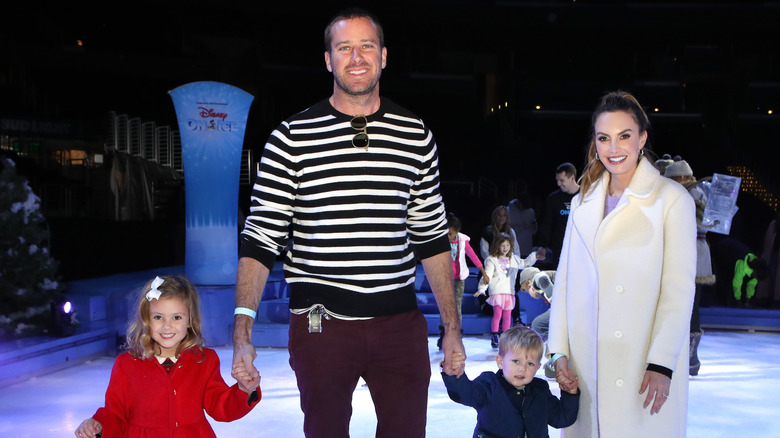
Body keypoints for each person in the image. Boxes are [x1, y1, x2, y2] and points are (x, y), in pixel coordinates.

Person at [231, 8, 466, 438]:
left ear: (384, 56)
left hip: (398, 324)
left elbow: (432, 237)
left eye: (366, 47)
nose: (356, 58)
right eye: (344, 48)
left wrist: (452, 327)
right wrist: (242, 329)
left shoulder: (415, 135)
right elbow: (261, 239)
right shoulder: (291, 137)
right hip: (322, 326)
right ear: (328, 60)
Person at [547, 90, 696, 437]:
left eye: (624, 136)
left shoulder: (671, 200)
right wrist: (559, 351)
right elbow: (566, 282)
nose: (614, 149)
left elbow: (677, 291)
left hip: (642, 364)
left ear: (642, 138)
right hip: (587, 363)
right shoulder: (583, 200)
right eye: (604, 138)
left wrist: (661, 363)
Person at [75, 276, 260, 438]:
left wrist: (244, 390)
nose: (167, 326)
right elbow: (115, 414)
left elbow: (221, 406)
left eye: (176, 317)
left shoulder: (204, 360)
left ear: (190, 320)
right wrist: (98, 425)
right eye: (158, 317)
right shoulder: (126, 364)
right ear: (146, 319)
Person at [441, 326, 579, 438]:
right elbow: (466, 394)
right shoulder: (489, 384)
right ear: (500, 362)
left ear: (537, 367)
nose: (522, 368)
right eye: (516, 361)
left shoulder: (540, 390)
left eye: (530, 364)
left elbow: (561, 418)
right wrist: (455, 374)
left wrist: (570, 393)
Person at [664, 158, 716, 376]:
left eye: (672, 179)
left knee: (691, 304)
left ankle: (690, 357)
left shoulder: (692, 194)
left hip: (692, 253)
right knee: (686, 302)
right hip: (689, 251)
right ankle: (686, 356)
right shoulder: (692, 193)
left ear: (682, 178)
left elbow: (703, 223)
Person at [475, 234, 539, 348]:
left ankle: (505, 337)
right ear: (497, 246)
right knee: (498, 315)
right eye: (502, 245)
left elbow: (525, 263)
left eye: (507, 245)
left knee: (507, 316)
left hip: (509, 292)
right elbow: (487, 275)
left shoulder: (513, 259)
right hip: (497, 292)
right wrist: (482, 288)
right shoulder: (492, 260)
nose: (505, 248)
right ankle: (495, 335)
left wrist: (535, 256)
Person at [438, 213, 488, 349]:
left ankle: (457, 331)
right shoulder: (441, 241)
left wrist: (483, 272)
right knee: (445, 306)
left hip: (459, 278)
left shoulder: (462, 241)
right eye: (447, 233)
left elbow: (473, 256)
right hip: (445, 278)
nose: (449, 236)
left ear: (457, 231)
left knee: (457, 305)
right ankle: (443, 332)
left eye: (451, 233)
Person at [538, 162, 580, 268]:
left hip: (580, 246)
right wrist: (543, 245)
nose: (558, 183)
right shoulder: (554, 198)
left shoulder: (585, 196)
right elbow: (547, 223)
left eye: (562, 180)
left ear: (572, 177)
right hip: (560, 247)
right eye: (557, 180)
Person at [518, 267, 556, 378]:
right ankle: (555, 358)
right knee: (551, 330)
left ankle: (531, 351)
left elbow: (543, 280)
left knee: (538, 324)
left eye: (525, 290)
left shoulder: (536, 278)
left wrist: (556, 301)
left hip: (566, 307)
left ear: (527, 282)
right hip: (570, 305)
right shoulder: (540, 285)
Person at [507, 187, 538, 257]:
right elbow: (507, 230)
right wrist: (522, 226)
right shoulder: (508, 211)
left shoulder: (530, 211)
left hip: (527, 249)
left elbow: (534, 231)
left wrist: (534, 227)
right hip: (513, 249)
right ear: (518, 202)